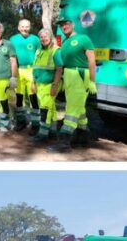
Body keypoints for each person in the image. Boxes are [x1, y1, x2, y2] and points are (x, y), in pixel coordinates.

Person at [48, 18, 96, 153]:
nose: (64, 27)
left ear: (73, 25)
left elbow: (92, 61)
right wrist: (62, 79)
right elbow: (62, 64)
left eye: (66, 24)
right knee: (79, 110)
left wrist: (92, 81)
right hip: (69, 77)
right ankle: (84, 139)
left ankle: (64, 142)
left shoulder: (83, 38)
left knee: (71, 110)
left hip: (79, 75)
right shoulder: (64, 42)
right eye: (62, 25)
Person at [31, 29, 61, 142]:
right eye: (41, 37)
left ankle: (42, 134)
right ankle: (52, 132)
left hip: (49, 85)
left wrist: (55, 85)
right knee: (51, 109)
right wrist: (33, 82)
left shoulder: (55, 51)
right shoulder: (38, 51)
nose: (43, 39)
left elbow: (59, 69)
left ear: (51, 37)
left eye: (45, 36)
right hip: (39, 84)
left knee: (45, 110)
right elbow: (35, 67)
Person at [9, 19, 40, 132]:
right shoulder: (13, 39)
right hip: (18, 70)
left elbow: (40, 56)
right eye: (22, 26)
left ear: (30, 27)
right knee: (19, 97)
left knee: (33, 97)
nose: (24, 29)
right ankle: (21, 121)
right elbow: (9, 56)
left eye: (27, 26)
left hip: (31, 70)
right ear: (18, 27)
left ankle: (36, 124)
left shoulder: (36, 39)